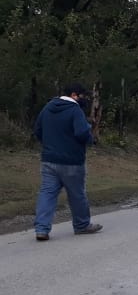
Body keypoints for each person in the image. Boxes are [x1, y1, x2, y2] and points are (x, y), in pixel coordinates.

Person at [33, 83, 103, 241]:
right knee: (77, 195)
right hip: (72, 161)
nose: (84, 99)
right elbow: (81, 133)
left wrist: (50, 144)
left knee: (47, 193)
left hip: (49, 160)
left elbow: (37, 130)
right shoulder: (75, 110)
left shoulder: (48, 107)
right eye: (83, 96)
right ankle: (82, 225)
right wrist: (90, 138)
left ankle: (41, 229)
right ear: (74, 95)